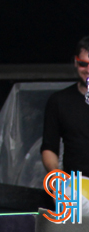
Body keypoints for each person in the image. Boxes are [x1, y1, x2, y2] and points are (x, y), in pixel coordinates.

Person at [41, 36, 89, 176]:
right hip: (75, 186)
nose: (88, 69)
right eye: (83, 64)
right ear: (75, 62)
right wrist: (57, 175)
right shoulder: (59, 101)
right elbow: (49, 147)